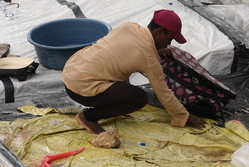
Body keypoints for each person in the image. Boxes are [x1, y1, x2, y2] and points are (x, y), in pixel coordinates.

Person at [62, 9, 206, 134]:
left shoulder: (129, 26)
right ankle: (88, 117)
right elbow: (164, 94)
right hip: (81, 89)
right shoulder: (148, 58)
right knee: (138, 98)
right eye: (170, 38)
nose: (169, 44)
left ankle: (106, 106)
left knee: (117, 73)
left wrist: (156, 50)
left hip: (71, 72)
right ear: (160, 32)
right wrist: (184, 116)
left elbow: (129, 49)